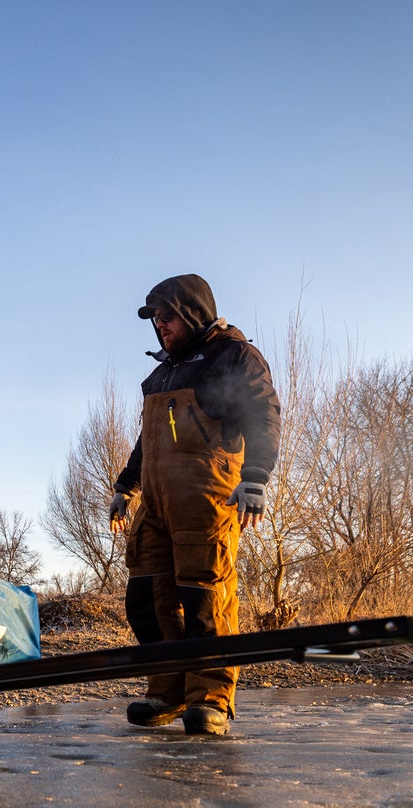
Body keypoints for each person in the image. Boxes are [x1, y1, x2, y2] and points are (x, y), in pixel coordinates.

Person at [109, 274, 280, 736]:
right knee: (148, 597)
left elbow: (264, 415)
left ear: (192, 312)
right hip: (158, 501)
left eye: (167, 315)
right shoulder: (162, 372)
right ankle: (166, 688)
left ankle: (210, 697)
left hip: (207, 494)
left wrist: (256, 478)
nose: (160, 325)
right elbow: (149, 439)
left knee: (204, 596)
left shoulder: (233, 357)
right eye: (155, 319)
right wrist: (126, 486)